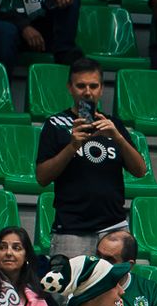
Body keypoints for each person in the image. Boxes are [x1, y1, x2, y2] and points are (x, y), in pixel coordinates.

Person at [36, 59, 148, 261]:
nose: (87, 92)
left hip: (114, 228)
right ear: (70, 88)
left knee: (117, 291)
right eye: (81, 85)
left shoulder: (113, 125)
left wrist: (118, 138)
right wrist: (71, 147)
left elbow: (140, 170)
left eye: (93, 86)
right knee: (69, 293)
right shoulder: (55, 125)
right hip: (71, 229)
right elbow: (42, 177)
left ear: (102, 89)